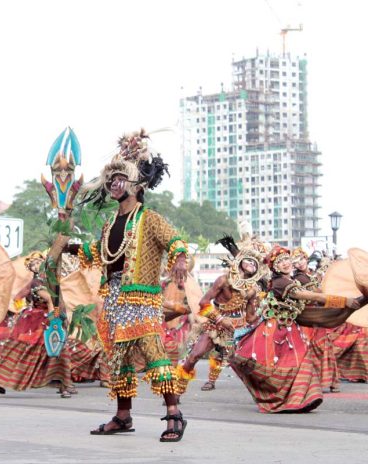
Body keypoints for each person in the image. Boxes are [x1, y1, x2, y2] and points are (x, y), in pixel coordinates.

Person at [71, 130, 192, 442]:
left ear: (137, 185)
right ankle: (123, 417)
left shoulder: (149, 218)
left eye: (120, 178)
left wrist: (179, 259)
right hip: (114, 298)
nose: (113, 183)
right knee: (119, 359)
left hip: (141, 300)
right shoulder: (111, 223)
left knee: (154, 353)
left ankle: (175, 414)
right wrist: (66, 249)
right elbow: (99, 254)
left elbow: (176, 241)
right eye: (110, 179)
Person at [231, 246, 363, 413]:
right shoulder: (280, 282)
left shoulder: (292, 280)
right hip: (276, 330)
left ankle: (300, 399)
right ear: (275, 267)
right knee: (289, 365)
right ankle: (284, 399)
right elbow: (313, 296)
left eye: (287, 259)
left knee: (301, 363)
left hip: (291, 328)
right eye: (281, 261)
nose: (286, 263)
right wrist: (343, 301)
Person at [0, 252, 75, 397]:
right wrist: (55, 320)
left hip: (45, 319)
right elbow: (50, 301)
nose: (38, 266)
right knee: (19, 352)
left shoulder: (52, 282)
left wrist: (61, 317)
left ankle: (65, 385)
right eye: (35, 264)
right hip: (38, 322)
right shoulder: (37, 283)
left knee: (59, 352)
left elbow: (57, 302)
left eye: (40, 263)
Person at [180, 237, 263, 391]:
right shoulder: (223, 281)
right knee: (194, 356)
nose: (251, 264)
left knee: (228, 358)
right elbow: (203, 303)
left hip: (238, 331)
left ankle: (212, 381)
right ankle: (178, 389)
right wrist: (220, 319)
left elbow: (250, 317)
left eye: (254, 262)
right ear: (240, 261)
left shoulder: (253, 289)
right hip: (216, 325)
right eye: (248, 261)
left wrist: (265, 315)